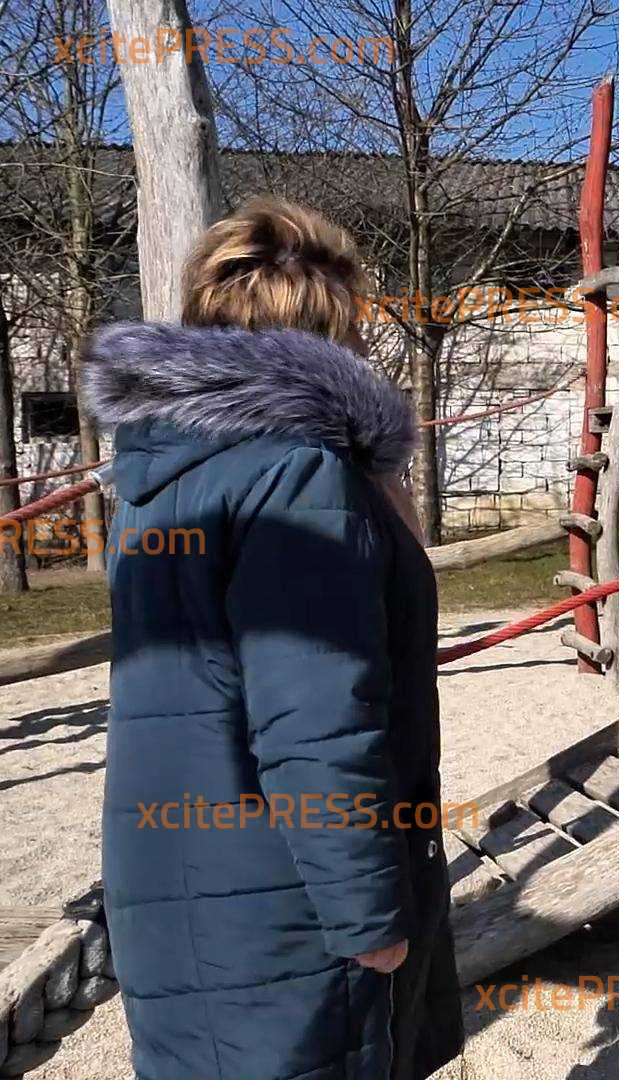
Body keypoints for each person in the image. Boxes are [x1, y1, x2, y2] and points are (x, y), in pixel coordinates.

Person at [85, 197, 463, 1079]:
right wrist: (367, 916)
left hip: (184, 880)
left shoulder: (168, 474)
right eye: (358, 320)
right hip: (284, 902)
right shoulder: (299, 476)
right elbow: (315, 724)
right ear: (333, 332)